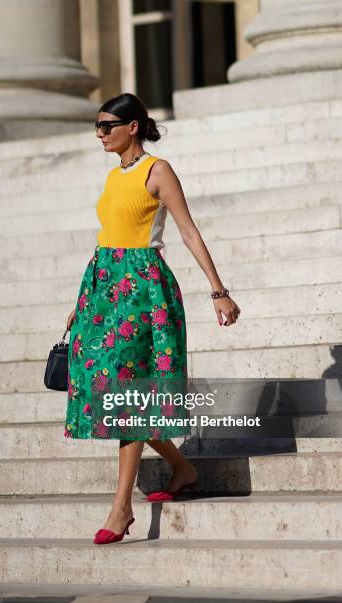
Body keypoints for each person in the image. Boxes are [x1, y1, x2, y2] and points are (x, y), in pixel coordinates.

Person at [64, 93, 241, 545]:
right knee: (108, 390)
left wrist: (218, 291)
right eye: (98, 126)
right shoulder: (111, 176)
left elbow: (186, 229)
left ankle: (121, 509)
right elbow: (107, 237)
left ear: (133, 127)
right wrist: (81, 302)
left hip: (143, 291)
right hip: (103, 289)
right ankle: (181, 468)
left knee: (127, 393)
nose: (100, 133)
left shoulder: (156, 170)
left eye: (107, 125)